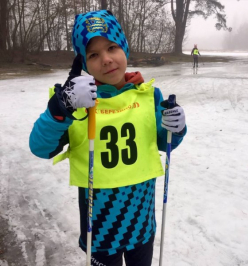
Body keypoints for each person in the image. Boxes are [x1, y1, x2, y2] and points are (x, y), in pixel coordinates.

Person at [29, 10, 187, 266]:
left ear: (124, 48)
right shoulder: (76, 101)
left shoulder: (149, 95)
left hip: (142, 223)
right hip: (101, 229)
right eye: (93, 54)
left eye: (112, 47)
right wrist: (61, 106)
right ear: (84, 62)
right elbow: (40, 147)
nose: (106, 59)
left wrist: (176, 128)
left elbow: (163, 141)